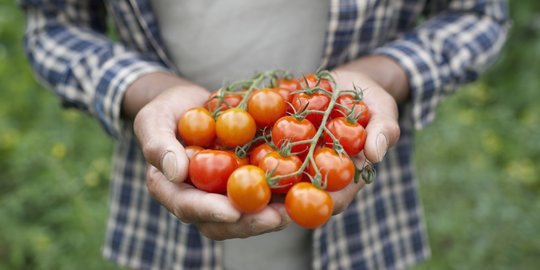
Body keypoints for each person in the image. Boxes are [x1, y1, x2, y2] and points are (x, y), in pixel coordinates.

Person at [19, 0, 508, 269]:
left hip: (364, 231)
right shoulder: (276, 131)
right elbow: (52, 27)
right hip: (164, 226)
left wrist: (384, 73)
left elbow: (478, 13)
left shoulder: (312, 134)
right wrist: (148, 89)